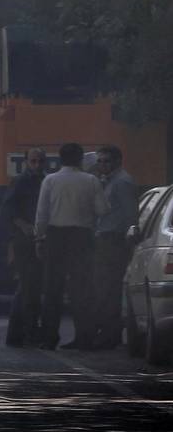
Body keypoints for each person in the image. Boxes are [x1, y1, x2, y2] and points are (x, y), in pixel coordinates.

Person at [34, 142, 110, 350]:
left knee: (52, 289)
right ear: (79, 159)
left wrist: (39, 238)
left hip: (55, 236)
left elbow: (42, 214)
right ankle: (84, 337)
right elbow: (103, 210)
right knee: (82, 289)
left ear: (60, 158)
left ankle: (49, 337)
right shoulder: (91, 181)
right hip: (82, 238)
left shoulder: (50, 180)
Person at [92, 145, 137, 349]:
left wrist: (126, 240)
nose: (101, 165)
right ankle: (108, 332)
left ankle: (110, 334)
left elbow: (130, 215)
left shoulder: (122, 182)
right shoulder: (109, 181)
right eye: (99, 161)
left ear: (118, 161)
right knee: (104, 288)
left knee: (109, 288)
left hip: (114, 240)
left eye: (106, 161)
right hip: (105, 239)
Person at [3, 148, 47, 347]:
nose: (37, 165)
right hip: (24, 240)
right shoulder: (20, 181)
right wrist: (23, 226)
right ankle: (27, 332)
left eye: (40, 161)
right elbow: (8, 210)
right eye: (33, 161)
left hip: (40, 238)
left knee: (31, 287)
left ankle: (20, 333)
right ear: (27, 162)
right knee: (28, 287)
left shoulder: (46, 181)